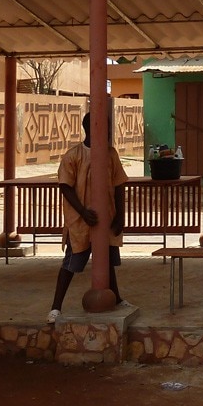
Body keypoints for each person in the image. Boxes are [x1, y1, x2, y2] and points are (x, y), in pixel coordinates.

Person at [48, 112, 131, 324]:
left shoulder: (110, 154)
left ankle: (117, 298)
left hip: (107, 218)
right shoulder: (74, 155)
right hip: (80, 220)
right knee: (71, 262)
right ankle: (56, 307)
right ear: (90, 129)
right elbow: (66, 188)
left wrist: (121, 214)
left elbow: (119, 184)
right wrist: (83, 212)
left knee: (106, 259)